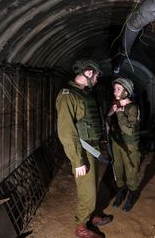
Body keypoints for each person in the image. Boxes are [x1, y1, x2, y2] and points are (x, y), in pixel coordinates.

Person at [56, 60, 112, 238]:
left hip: (92, 147)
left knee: (92, 186)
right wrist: (77, 160)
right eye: (95, 76)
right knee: (87, 191)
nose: (96, 80)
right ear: (88, 72)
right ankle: (81, 227)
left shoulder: (84, 94)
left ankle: (91, 216)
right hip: (82, 151)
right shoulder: (68, 95)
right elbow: (66, 131)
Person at [107, 77, 141, 212]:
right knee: (118, 169)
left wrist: (120, 114)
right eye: (115, 89)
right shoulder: (117, 104)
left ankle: (132, 195)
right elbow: (109, 117)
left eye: (118, 89)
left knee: (131, 171)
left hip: (129, 145)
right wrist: (112, 112)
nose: (115, 91)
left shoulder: (133, 108)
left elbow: (130, 130)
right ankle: (121, 192)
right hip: (116, 143)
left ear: (126, 92)